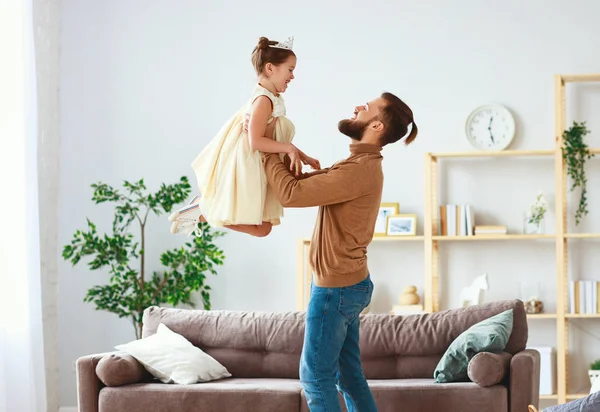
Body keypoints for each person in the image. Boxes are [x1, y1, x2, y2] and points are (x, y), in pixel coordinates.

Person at [254, 91, 418, 411]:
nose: (358, 107)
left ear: (376, 126)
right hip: (345, 283)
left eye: (366, 108)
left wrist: (265, 149)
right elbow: (300, 185)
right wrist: (286, 151)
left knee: (315, 377)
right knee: (348, 377)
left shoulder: (359, 170)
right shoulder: (358, 164)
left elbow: (290, 193)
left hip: (337, 288)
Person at [168, 36, 319, 237]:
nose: (292, 77)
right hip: (250, 164)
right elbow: (255, 141)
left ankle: (202, 212)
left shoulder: (272, 99)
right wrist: (289, 149)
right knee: (261, 227)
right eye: (290, 70)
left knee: (264, 228)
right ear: (270, 68)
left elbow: (273, 137)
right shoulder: (263, 100)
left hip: (261, 162)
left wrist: (302, 155)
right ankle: (204, 209)